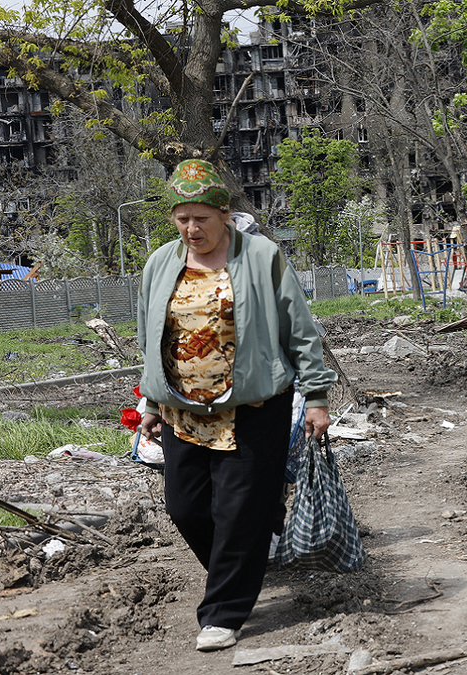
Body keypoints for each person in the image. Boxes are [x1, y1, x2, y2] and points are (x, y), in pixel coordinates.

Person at [135, 159, 337, 652]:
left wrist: (315, 396)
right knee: (184, 507)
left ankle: (223, 611)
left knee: (237, 509)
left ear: (224, 214)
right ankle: (247, 555)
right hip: (183, 411)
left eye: (201, 217)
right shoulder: (161, 263)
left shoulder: (261, 256)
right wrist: (149, 403)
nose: (191, 228)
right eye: (182, 218)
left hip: (252, 407)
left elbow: (299, 329)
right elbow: (149, 338)